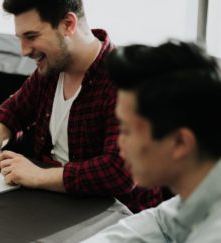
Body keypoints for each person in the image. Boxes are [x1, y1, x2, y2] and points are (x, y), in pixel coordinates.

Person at [0, 0, 162, 213]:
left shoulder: (125, 81)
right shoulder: (52, 68)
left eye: (31, 37)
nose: (24, 51)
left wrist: (38, 175)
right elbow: (10, 112)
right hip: (55, 201)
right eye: (20, 39)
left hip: (113, 216)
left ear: (68, 24)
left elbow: (118, 172)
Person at [82, 41, 221, 242]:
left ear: (181, 143)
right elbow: (162, 222)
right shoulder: (197, 192)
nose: (119, 144)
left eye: (127, 130)